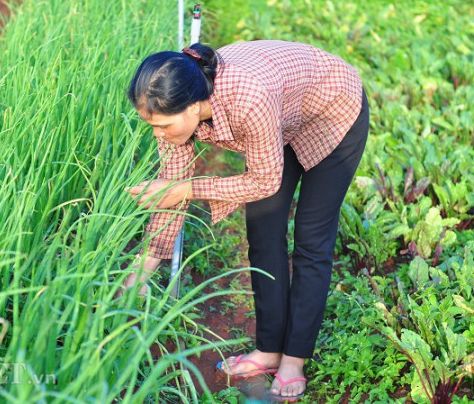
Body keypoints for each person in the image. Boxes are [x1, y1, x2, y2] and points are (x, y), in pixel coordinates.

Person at [123, 40, 369, 401]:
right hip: (282, 118)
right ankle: (269, 351)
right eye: (151, 125)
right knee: (264, 234)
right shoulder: (179, 105)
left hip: (332, 112)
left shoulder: (248, 99)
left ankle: (294, 361)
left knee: (311, 240)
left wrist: (188, 189)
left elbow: (264, 180)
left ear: (193, 106)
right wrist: (143, 266)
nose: (158, 133)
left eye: (163, 125)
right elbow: (170, 191)